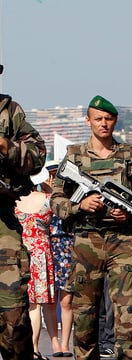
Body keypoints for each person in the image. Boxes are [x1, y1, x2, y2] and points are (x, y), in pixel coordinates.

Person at [50, 95, 132, 360]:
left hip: (122, 240)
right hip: (86, 240)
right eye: (98, 118)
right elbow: (56, 200)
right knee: (84, 316)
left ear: (115, 121)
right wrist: (81, 206)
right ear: (88, 121)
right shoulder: (74, 156)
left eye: (108, 119)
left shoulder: (131, 156)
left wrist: (130, 216)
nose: (103, 123)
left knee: (129, 313)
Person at [0, 64, 47, 360]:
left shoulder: (9, 111)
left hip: (3, 222)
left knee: (13, 318)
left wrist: (6, 145)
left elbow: (38, 155)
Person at [15, 166, 57, 360]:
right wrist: (49, 190)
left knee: (25, 305)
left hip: (20, 254)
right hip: (41, 255)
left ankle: (26, 349)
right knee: (37, 306)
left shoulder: (14, 202)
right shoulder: (47, 201)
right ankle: (34, 349)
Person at [46, 160, 75, 359]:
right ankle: (54, 342)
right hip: (48, 247)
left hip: (68, 247)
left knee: (67, 301)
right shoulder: (41, 198)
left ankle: (65, 342)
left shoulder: (72, 198)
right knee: (49, 300)